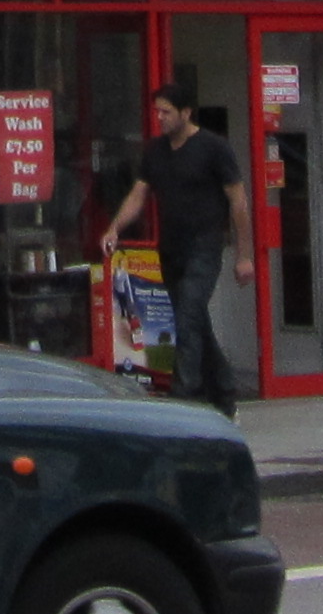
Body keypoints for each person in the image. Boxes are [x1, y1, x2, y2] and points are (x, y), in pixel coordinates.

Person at [102, 81, 248, 414]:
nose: (160, 118)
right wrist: (114, 228)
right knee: (194, 321)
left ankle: (184, 401)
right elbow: (138, 195)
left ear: (185, 112)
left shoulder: (213, 148)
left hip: (205, 245)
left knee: (187, 317)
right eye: (157, 111)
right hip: (171, 248)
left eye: (166, 112)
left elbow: (238, 201)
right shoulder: (155, 151)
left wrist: (245, 255)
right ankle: (225, 395)